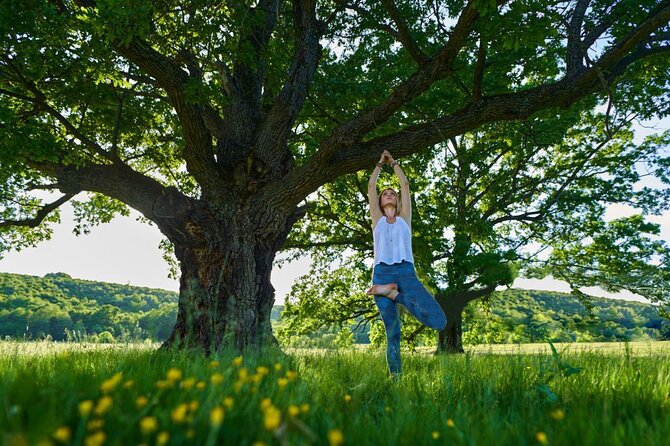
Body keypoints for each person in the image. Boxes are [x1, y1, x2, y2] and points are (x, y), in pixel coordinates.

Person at [366, 150, 447, 376]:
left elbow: (405, 185)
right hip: (381, 274)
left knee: (439, 321)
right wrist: (379, 165)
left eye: (392, 193)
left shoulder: (404, 219)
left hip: (406, 273)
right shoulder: (377, 220)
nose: (389, 194)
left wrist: (395, 164)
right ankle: (396, 378)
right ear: (380, 202)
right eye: (386, 193)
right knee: (393, 331)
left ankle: (394, 295)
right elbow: (371, 186)